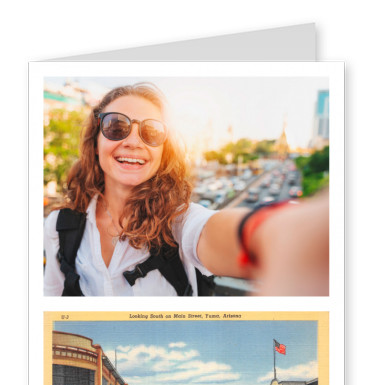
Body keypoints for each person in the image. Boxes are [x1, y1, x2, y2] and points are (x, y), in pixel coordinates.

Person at [44, 82, 329, 296]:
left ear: (163, 150)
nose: (133, 142)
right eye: (116, 126)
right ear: (95, 140)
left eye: (151, 131)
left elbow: (212, 232)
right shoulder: (59, 226)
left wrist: (278, 233)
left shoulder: (178, 222)